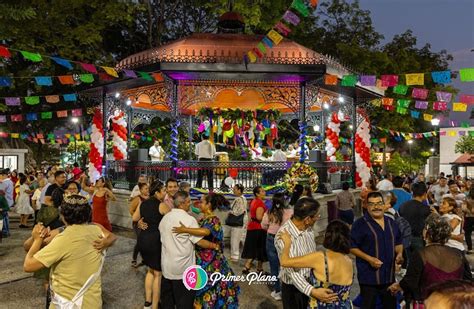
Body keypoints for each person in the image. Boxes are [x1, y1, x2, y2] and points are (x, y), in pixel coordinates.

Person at [23, 194, 117, 308]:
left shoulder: (63, 238)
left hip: (68, 303)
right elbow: (111, 236)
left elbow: (28, 265)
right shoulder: (96, 230)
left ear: (62, 215)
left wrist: (37, 239)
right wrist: (106, 242)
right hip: (92, 300)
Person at [172, 193, 240, 308]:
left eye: (202, 202)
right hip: (202, 260)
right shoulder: (204, 218)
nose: (199, 204)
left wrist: (185, 229)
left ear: (208, 205)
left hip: (212, 262)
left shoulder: (214, 220)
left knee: (212, 288)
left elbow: (205, 232)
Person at [387, 214, 471, 305]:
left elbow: (410, 282)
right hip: (452, 303)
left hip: (427, 303)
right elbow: (467, 280)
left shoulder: (421, 254)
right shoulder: (458, 254)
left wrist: (398, 286)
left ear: (426, 233)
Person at [158, 191, 219, 309]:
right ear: (182, 203)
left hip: (166, 266)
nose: (190, 204)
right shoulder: (188, 220)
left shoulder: (165, 218)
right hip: (183, 268)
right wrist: (214, 246)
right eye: (188, 202)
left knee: (167, 301)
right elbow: (200, 241)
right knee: (184, 302)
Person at [275, 197, 338, 309]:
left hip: (311, 282)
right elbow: (291, 272)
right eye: (317, 216)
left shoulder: (308, 228)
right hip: (294, 289)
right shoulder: (284, 237)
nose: (318, 218)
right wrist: (312, 291)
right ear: (307, 219)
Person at [279, 220, 353, 308]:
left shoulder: (320, 258)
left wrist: (287, 243)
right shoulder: (349, 261)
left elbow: (284, 262)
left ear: (327, 236)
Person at [350, 191, 403, 309]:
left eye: (379, 203)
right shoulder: (360, 224)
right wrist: (369, 259)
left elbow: (398, 242)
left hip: (389, 276)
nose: (376, 207)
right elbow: (351, 246)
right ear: (366, 206)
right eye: (372, 204)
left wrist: (399, 254)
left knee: (390, 306)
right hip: (369, 278)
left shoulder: (391, 223)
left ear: (384, 205)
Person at [133, 181, 169, 309]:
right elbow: (171, 221)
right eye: (163, 190)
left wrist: (141, 222)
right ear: (157, 192)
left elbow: (135, 218)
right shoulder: (162, 205)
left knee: (150, 270)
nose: (165, 193)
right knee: (158, 274)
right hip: (155, 241)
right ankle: (155, 306)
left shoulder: (143, 203)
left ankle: (147, 303)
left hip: (143, 239)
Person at [261, 193, 293, 301]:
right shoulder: (290, 212)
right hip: (285, 240)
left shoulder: (269, 212)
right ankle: (287, 291)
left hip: (271, 239)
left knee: (274, 266)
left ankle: (277, 291)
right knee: (285, 265)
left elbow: (263, 225)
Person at [400, 182, 432, 253]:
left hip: (404, 237)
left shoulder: (403, 206)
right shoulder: (426, 208)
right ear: (424, 194)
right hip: (418, 238)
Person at [241, 186, 268, 274]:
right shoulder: (260, 203)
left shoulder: (253, 201)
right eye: (262, 191)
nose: (264, 193)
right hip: (258, 228)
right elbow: (259, 217)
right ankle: (250, 266)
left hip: (252, 227)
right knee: (259, 248)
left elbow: (251, 215)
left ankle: (257, 268)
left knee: (255, 248)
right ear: (257, 194)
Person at [129, 182, 149, 268]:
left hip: (146, 223)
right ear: (140, 190)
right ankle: (134, 259)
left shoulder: (150, 198)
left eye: (148, 188)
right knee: (140, 241)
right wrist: (137, 219)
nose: (147, 190)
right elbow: (131, 210)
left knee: (146, 241)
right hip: (137, 223)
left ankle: (145, 259)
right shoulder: (137, 199)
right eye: (145, 189)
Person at [227, 184, 247, 262]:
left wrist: (230, 212)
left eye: (235, 189)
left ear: (239, 190)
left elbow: (239, 211)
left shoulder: (239, 199)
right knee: (242, 237)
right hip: (242, 220)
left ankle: (234, 256)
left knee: (235, 239)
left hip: (237, 221)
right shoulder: (244, 198)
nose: (233, 190)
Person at [0, 169, 14, 237]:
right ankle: (7, 231)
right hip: (9, 200)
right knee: (5, 217)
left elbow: (1, 192)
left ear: (3, 175)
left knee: (2, 218)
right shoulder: (10, 182)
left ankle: (5, 231)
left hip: (4, 202)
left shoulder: (4, 183)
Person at [463, 185, 474, 254]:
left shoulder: (467, 198)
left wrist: (469, 210)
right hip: (469, 216)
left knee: (467, 233)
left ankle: (470, 249)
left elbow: (464, 208)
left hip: (469, 217)